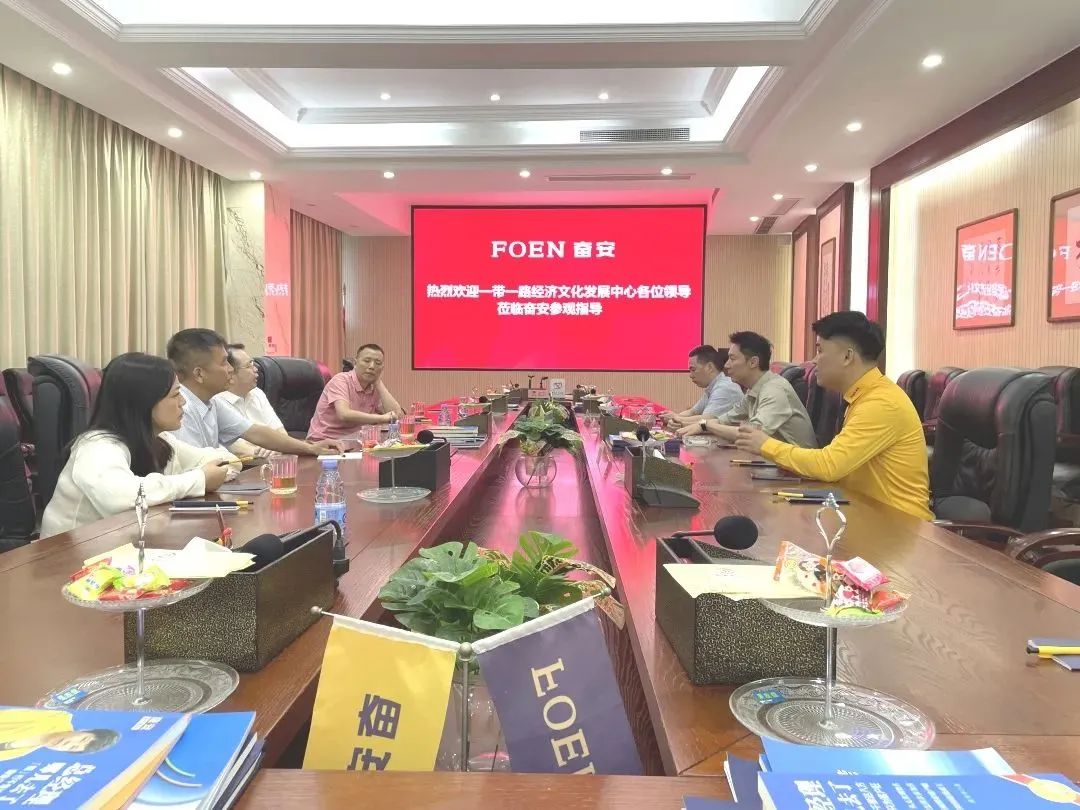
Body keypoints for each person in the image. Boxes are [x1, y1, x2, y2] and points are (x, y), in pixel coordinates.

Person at [735, 312, 932, 520]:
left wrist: (766, 444)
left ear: (847, 357)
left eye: (820, 350)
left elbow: (830, 466)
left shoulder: (882, 403)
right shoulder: (863, 396)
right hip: (864, 513)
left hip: (899, 526)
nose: (814, 360)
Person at [40, 353, 236, 537]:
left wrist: (215, 471)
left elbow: (219, 459)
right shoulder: (97, 447)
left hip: (126, 544)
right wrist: (199, 479)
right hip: (75, 555)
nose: (183, 402)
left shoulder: (159, 439)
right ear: (145, 401)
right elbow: (123, 498)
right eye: (175, 394)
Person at [166, 328, 342, 456]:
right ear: (199, 374)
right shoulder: (180, 408)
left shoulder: (211, 402)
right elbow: (195, 465)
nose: (230, 369)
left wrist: (311, 448)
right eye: (224, 363)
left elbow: (255, 432)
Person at [677, 331, 817, 449]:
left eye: (732, 359)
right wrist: (703, 425)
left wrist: (706, 425)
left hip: (797, 470)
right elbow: (724, 420)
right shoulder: (753, 390)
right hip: (774, 463)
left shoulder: (774, 390)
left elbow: (751, 434)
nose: (726, 365)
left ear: (753, 362)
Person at [308, 343, 404, 441]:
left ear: (382, 368)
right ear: (355, 363)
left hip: (353, 442)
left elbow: (397, 415)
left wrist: (378, 383)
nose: (372, 366)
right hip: (323, 441)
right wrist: (382, 418)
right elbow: (344, 414)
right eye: (367, 361)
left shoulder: (374, 387)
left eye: (378, 363)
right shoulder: (341, 380)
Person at [214, 343, 286, 459]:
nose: (256, 369)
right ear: (230, 373)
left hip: (272, 459)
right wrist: (270, 451)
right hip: (246, 464)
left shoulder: (257, 393)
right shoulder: (216, 401)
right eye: (249, 366)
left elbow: (280, 432)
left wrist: (276, 448)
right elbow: (235, 448)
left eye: (253, 363)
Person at [660, 345, 743, 427]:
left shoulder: (725, 388)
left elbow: (706, 420)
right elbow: (693, 412)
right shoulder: (713, 386)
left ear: (709, 367)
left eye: (693, 370)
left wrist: (676, 418)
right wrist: (673, 416)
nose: (690, 375)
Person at [0, 708, 119, 761]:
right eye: (82, 739)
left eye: (73, 747)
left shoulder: (22, 752)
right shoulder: (56, 717)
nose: (67, 744)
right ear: (84, 730)